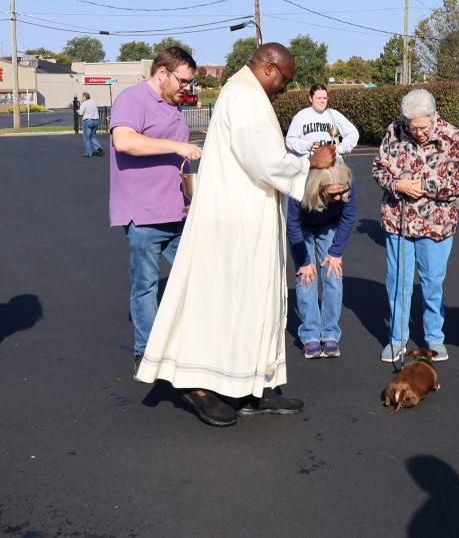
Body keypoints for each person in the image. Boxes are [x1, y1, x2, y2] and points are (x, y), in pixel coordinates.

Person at [135, 43, 336, 427]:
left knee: (251, 302)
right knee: (222, 303)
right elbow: (263, 160)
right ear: (270, 69)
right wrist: (311, 161)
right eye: (286, 81)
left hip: (249, 219)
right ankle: (198, 384)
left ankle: (250, 389)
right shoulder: (244, 95)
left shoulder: (247, 93)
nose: (285, 91)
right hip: (232, 225)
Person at [109, 47, 203, 369]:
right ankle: (146, 353)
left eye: (189, 83)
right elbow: (125, 141)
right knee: (146, 285)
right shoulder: (132, 99)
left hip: (178, 212)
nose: (186, 88)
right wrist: (178, 146)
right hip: (145, 214)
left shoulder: (174, 107)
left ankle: (184, 342)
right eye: (183, 81)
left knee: (194, 278)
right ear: (162, 72)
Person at [372, 89, 459, 363]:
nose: (417, 132)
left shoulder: (452, 137)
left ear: (434, 115)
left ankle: (435, 339)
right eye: (412, 127)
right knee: (398, 283)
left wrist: (426, 187)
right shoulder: (395, 131)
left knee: (432, 284)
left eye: (422, 126)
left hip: (436, 225)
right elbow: (379, 168)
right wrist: (396, 184)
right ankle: (396, 340)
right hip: (399, 221)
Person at [288, 158, 357, 359]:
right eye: (332, 193)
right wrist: (304, 261)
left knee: (333, 275)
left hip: (329, 224)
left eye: (341, 192)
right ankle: (310, 335)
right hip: (302, 226)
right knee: (307, 277)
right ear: (318, 187)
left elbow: (348, 218)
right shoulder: (299, 186)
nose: (338, 197)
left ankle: (330, 334)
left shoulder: (349, 183)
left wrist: (335, 253)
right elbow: (292, 225)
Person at [285, 83, 359, 155]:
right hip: (308, 163)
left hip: (331, 163)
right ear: (311, 98)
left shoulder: (334, 115)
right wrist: (307, 145)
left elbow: (353, 133)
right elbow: (290, 140)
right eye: (319, 98)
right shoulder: (301, 116)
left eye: (325, 98)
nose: (322, 101)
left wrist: (340, 148)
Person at [77, 92, 105, 158]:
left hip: (88, 121)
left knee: (86, 138)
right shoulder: (93, 102)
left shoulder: (84, 103)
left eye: (82, 97)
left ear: (84, 97)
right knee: (92, 137)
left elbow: (80, 113)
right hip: (95, 121)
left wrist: (78, 111)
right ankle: (99, 147)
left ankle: (88, 153)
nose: (82, 98)